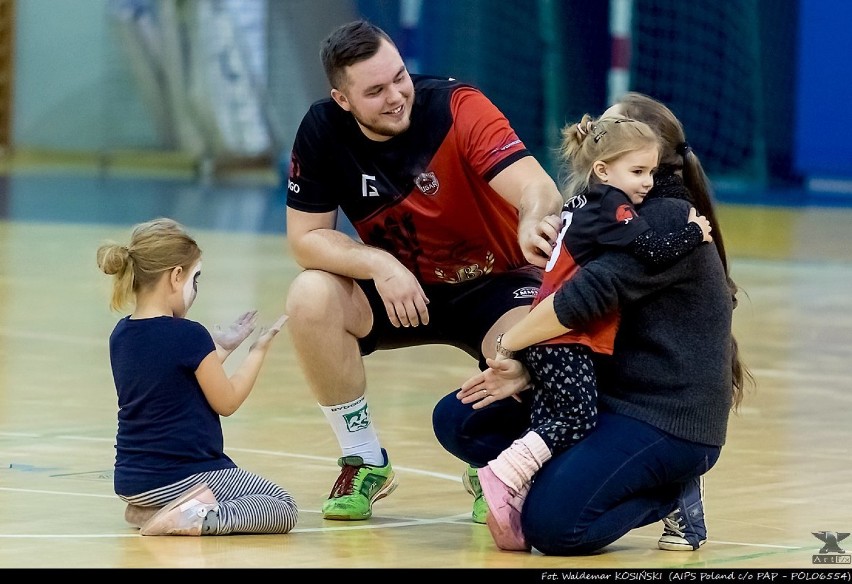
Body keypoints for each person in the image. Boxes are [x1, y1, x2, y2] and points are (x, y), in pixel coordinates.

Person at [434, 92, 753, 554]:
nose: (595, 137)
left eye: (610, 130)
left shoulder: (664, 217)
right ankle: (571, 477)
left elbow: (584, 298)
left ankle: (672, 490)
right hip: (607, 390)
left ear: (648, 156)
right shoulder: (604, 203)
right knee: (461, 419)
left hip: (666, 418)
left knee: (553, 529)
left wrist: (510, 345)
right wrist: (529, 370)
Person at [283, 19, 563, 522]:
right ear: (342, 99)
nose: (395, 96)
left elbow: (538, 188)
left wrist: (531, 221)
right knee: (310, 295)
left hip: (497, 283)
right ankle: (363, 459)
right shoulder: (322, 130)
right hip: (404, 289)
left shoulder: (457, 107)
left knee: (538, 345)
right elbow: (305, 239)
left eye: (399, 77)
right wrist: (377, 261)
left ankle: (500, 466)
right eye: (374, 90)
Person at [96, 217, 298, 536]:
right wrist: (257, 351)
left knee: (258, 498)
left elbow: (175, 380)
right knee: (281, 506)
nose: (196, 290)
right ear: (176, 276)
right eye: (196, 278)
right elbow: (226, 401)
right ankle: (194, 517)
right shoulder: (190, 335)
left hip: (132, 479)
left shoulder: (121, 334)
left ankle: (146, 510)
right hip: (184, 473)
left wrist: (223, 348)